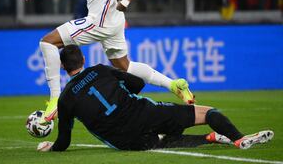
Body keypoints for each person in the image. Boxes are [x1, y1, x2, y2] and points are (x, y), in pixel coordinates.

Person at [20, 0, 195, 122]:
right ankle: (174, 85)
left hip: (99, 21)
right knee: (124, 65)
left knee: (47, 42)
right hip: (111, 21)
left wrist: (126, 1)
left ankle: (55, 100)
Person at [36, 45, 274, 151]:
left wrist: (51, 148)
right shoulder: (100, 70)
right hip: (143, 112)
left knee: (160, 141)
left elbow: (64, 141)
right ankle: (238, 139)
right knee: (206, 112)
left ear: (63, 68)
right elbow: (137, 83)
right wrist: (123, 92)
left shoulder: (65, 99)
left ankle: (211, 138)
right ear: (83, 60)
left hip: (124, 140)